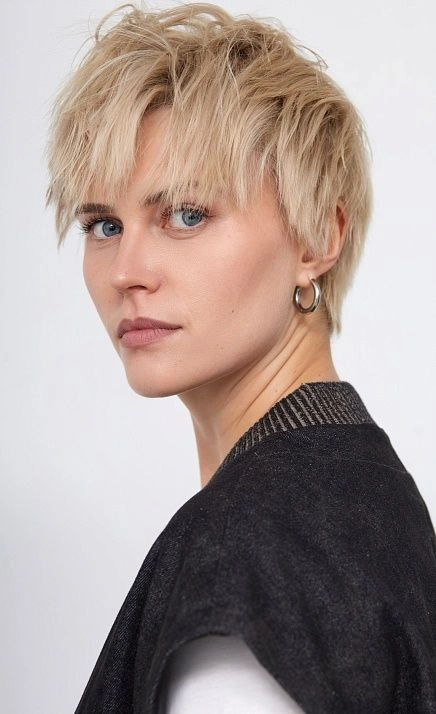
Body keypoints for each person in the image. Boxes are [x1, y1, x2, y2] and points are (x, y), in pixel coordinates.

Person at [45, 3, 436, 713]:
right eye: (103, 224)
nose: (126, 270)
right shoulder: (365, 498)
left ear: (317, 238)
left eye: (186, 215)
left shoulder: (252, 554)